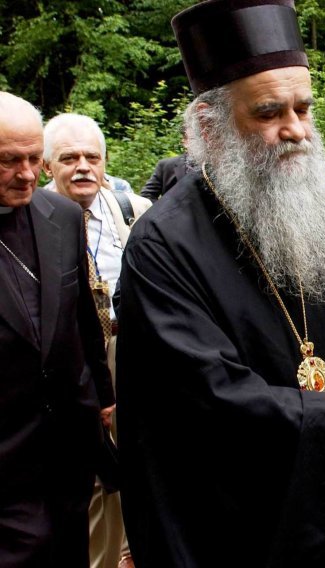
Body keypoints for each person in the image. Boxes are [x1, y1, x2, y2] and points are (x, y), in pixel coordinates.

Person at [115, 1, 325, 566]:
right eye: (270, 112)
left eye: (304, 109)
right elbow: (205, 394)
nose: (297, 130)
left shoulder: (319, 214)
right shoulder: (163, 243)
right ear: (209, 127)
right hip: (238, 522)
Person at [0, 92, 113, 567]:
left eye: (32, 159)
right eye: (8, 161)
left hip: (67, 450)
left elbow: (82, 321)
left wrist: (104, 398)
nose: (26, 174)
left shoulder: (62, 216)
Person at [42, 112, 151, 568]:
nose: (83, 166)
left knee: (141, 454)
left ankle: (136, 549)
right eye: (69, 158)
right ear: (48, 165)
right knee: (91, 467)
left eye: (93, 157)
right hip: (71, 359)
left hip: (131, 349)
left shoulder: (133, 211)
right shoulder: (35, 215)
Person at [140, 126, 190, 202]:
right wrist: (163, 212)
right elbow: (147, 196)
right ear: (185, 142)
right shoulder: (166, 166)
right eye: (193, 139)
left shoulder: (212, 165)